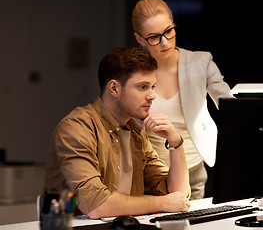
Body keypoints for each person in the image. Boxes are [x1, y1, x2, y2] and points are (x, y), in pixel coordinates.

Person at [44, 46, 190, 219]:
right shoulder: (76, 128)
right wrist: (163, 203)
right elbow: (97, 205)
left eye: (153, 86)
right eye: (143, 87)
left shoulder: (135, 131)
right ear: (114, 88)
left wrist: (175, 142)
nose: (152, 96)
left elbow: (178, 195)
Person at [132, 0, 233, 199]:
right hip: (150, 173)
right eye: (153, 37)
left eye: (168, 31)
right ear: (140, 39)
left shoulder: (200, 62)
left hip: (193, 168)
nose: (164, 42)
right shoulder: (133, 71)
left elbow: (230, 106)